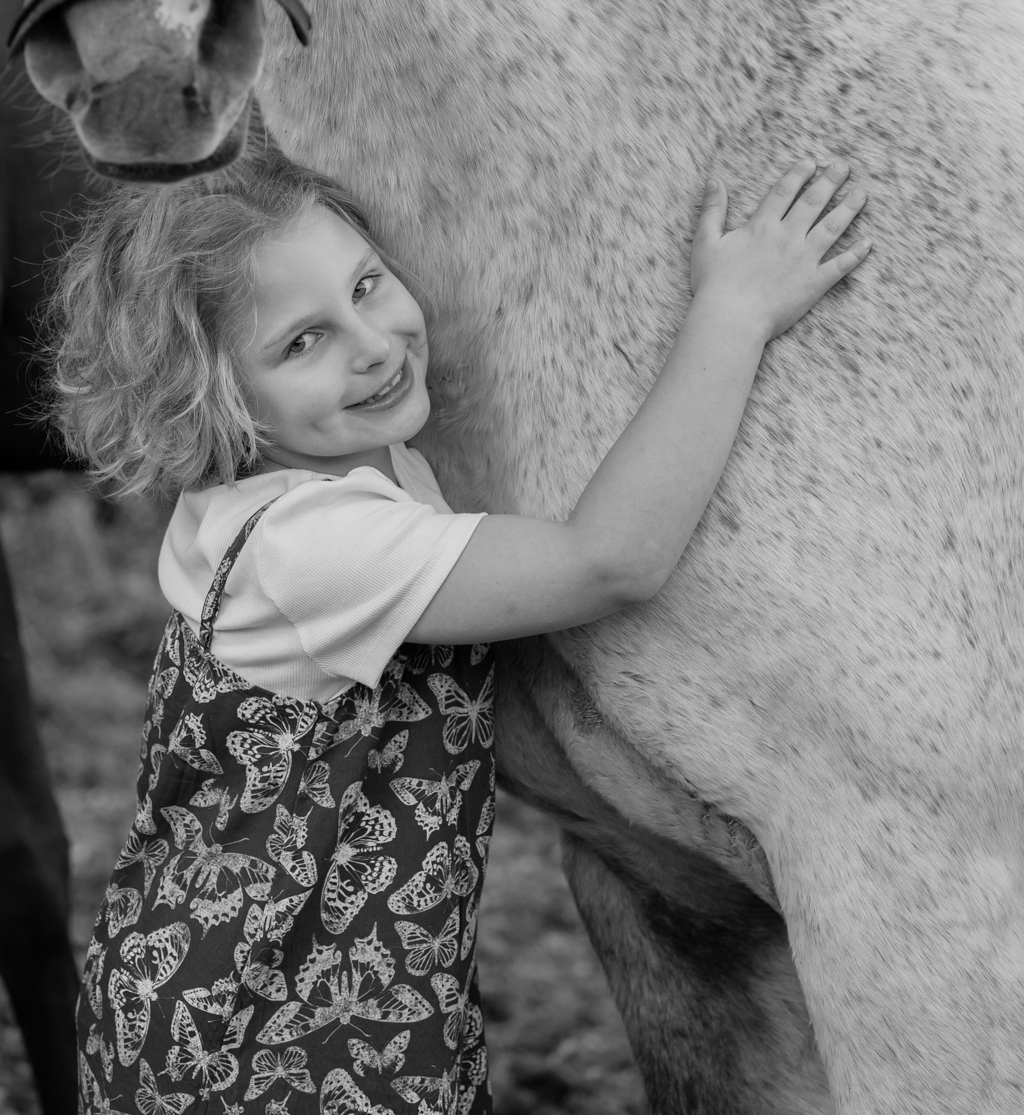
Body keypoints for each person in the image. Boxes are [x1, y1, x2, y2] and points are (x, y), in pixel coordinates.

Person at [52, 136, 870, 1115]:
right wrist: (731, 316)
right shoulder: (313, 549)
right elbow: (608, 560)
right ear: (218, 400)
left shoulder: (333, 466)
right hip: (255, 1041)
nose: (371, 343)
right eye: (301, 342)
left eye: (365, 283)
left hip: (332, 995)